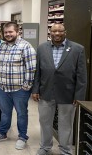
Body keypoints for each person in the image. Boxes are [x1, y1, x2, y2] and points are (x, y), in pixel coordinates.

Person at [32, 23, 87, 155]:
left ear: (65, 32)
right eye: (54, 31)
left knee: (66, 123)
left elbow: (82, 75)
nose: (57, 34)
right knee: (45, 121)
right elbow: (38, 71)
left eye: (60, 31)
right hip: (46, 91)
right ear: (50, 32)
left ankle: (65, 149)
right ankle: (45, 147)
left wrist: (79, 96)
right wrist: (35, 89)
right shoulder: (42, 48)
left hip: (68, 93)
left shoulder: (77, 49)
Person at [0, 22, 36, 150]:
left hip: (19, 89)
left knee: (21, 113)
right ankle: (2, 133)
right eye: (6, 32)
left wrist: (26, 86)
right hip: (2, 88)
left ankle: (22, 137)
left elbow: (31, 68)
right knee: (5, 112)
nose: (8, 34)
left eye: (11, 32)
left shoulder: (26, 46)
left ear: (17, 32)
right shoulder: (1, 46)